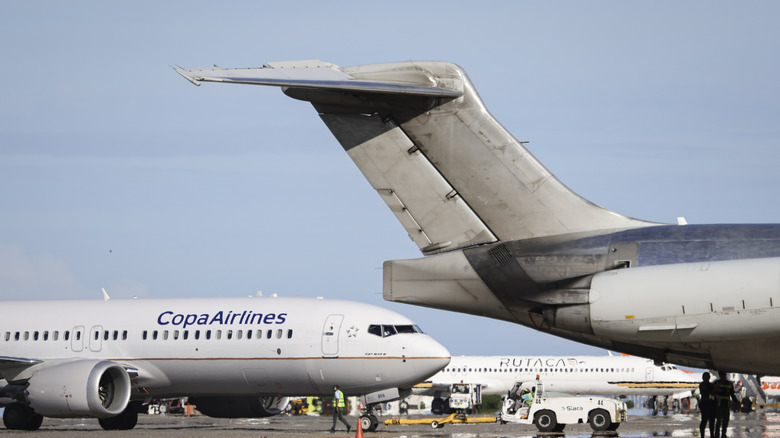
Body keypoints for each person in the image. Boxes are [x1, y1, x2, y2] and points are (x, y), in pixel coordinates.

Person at [714, 372, 739, 438]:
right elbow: (713, 393)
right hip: (719, 404)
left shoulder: (729, 384)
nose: (723, 377)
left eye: (724, 375)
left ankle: (723, 434)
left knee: (725, 421)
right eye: (722, 375)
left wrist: (736, 402)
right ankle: (716, 435)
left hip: (726, 404)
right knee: (718, 421)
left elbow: (732, 394)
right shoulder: (717, 383)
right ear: (720, 376)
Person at [698, 372, 716, 438]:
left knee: (712, 421)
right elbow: (705, 393)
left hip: (711, 405)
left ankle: (712, 435)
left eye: (708, 376)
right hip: (705, 404)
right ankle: (702, 435)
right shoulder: (702, 385)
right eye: (706, 376)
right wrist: (713, 391)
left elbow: (713, 394)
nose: (707, 378)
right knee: (704, 421)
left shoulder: (711, 385)